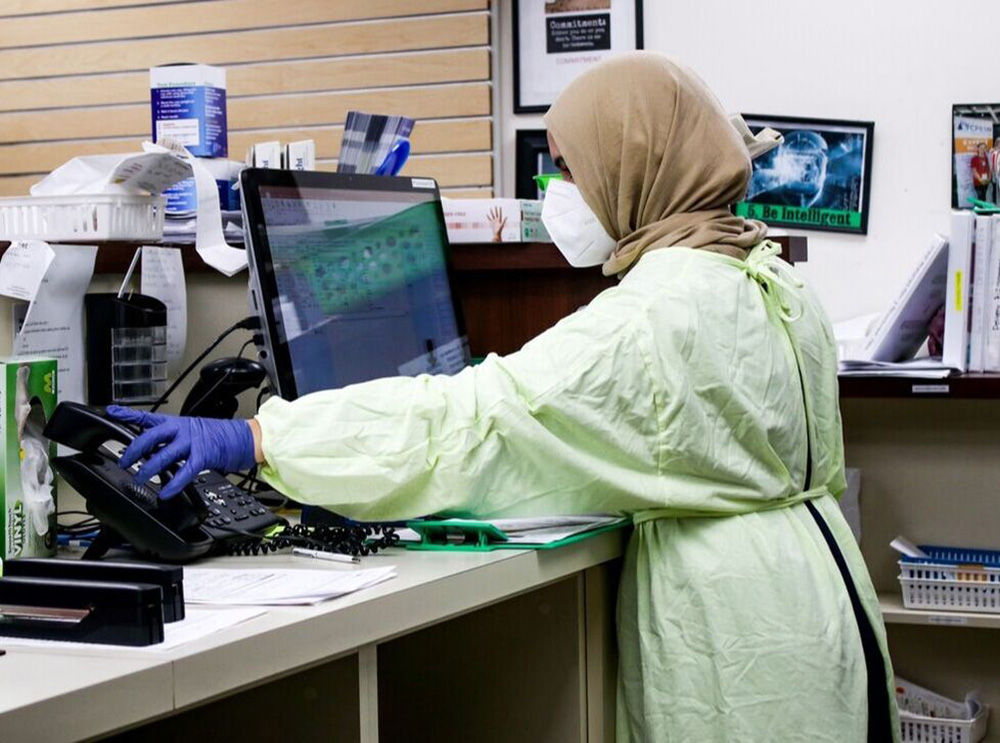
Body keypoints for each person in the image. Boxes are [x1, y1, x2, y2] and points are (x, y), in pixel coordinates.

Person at [109, 52, 898, 742]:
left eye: (573, 169)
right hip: (821, 608)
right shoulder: (770, 277)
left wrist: (258, 441)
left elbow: (472, 424)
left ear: (636, 169)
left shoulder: (657, 316)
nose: (562, 191)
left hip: (739, 640)